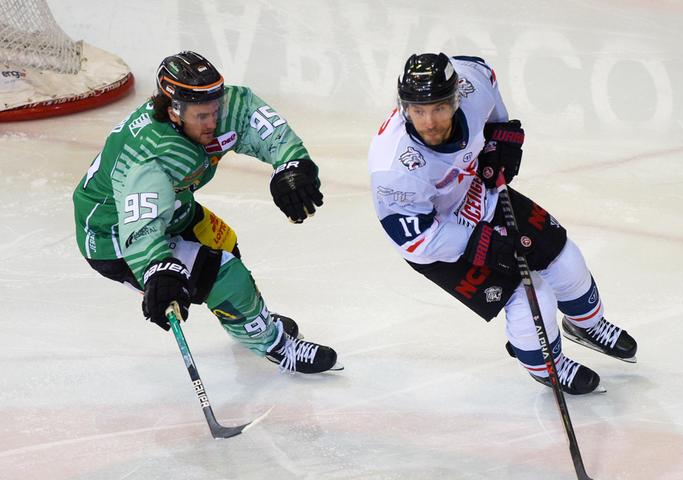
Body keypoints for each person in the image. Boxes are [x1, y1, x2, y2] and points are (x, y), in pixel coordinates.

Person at [368, 53, 637, 394]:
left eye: (438, 108)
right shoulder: (395, 168)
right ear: (404, 107)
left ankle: (587, 325)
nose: (429, 122)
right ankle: (546, 366)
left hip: (478, 193)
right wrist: (484, 244)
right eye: (418, 111)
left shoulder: (471, 87)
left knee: (565, 259)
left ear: (455, 98)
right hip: (439, 240)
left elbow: (483, 70)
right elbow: (415, 241)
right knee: (530, 298)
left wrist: (499, 134)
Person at [72, 50, 340, 374]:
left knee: (225, 243)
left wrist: (291, 165)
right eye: (202, 116)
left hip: (173, 207)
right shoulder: (149, 158)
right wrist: (157, 268)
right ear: (173, 111)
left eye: (215, 110)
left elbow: (262, 125)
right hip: (113, 235)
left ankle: (244, 319)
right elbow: (140, 229)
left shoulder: (211, 109)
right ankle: (275, 345)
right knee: (225, 273)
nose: (212, 122)